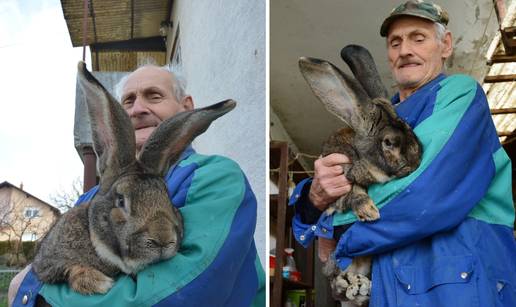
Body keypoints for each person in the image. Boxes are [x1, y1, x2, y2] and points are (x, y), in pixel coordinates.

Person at [290, 1, 516, 306]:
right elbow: (325, 194)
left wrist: (332, 225)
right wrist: (314, 198)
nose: (405, 50)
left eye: (418, 38)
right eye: (395, 42)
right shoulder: (379, 118)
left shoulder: (459, 94)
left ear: (445, 45)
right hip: (391, 288)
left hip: (458, 288)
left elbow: (423, 192)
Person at [8, 65, 265, 306]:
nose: (137, 109)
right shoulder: (92, 198)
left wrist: (31, 292)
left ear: (186, 107)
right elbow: (54, 258)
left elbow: (184, 292)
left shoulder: (216, 177)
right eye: (128, 101)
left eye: (154, 96)